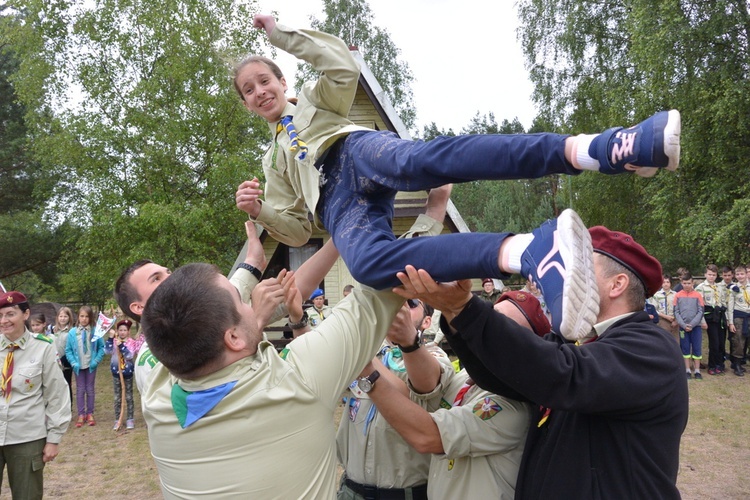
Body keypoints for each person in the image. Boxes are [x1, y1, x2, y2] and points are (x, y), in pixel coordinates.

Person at [234, 14, 681, 341]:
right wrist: (263, 211)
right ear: (247, 106)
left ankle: (598, 148)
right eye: (249, 91)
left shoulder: (315, 100)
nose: (259, 92)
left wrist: (280, 34)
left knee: (420, 162)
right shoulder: (273, 162)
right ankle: (531, 251)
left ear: (280, 78)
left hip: (351, 151)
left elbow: (342, 66)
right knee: (371, 267)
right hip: (337, 207)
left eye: (263, 80)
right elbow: (296, 233)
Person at [393, 224, 688, 499]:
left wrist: (465, 308)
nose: (563, 274)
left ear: (617, 284)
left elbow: (563, 374)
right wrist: (454, 313)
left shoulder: (651, 348)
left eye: (581, 266)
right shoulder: (579, 345)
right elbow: (501, 377)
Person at [139, 261, 405, 498]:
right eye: (243, 302)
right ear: (233, 338)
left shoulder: (155, 396)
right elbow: (388, 273)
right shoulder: (297, 380)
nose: (252, 305)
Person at [361, 291, 550, 499]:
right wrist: (403, 342)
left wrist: (368, 373)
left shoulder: (515, 405)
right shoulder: (467, 377)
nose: (493, 332)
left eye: (508, 329)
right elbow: (420, 400)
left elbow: (428, 436)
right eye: (493, 320)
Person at [336, 298, 453, 500]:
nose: (399, 305)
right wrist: (298, 319)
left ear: (426, 322)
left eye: (411, 302)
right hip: (351, 490)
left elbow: (425, 386)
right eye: (394, 299)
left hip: (403, 494)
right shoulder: (370, 352)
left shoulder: (434, 356)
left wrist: (365, 353)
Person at [0, 291, 71, 499]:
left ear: (26, 314)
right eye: (0, 315)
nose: (4, 321)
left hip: (26, 438)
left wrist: (54, 439)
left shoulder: (43, 348)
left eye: (10, 314)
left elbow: (57, 395)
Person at [65, 306, 105, 427]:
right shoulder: (72, 333)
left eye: (87, 316)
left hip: (90, 365)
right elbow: (68, 350)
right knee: (80, 389)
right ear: (78, 317)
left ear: (90, 318)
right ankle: (81, 414)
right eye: (82, 316)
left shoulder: (95, 332)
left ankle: (90, 413)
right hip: (78, 366)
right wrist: (73, 362)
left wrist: (96, 360)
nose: (84, 319)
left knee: (90, 389)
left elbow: (101, 348)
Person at [105, 320, 136, 430]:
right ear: (117, 331)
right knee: (117, 397)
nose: (122, 332)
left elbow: (129, 355)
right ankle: (118, 419)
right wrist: (110, 338)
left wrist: (121, 346)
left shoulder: (131, 342)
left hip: (127, 373)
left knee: (128, 396)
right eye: (120, 330)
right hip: (116, 373)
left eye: (125, 330)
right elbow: (107, 351)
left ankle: (130, 419)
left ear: (128, 331)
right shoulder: (114, 341)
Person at [674, 272, 705, 379]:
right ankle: (687, 370)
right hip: (683, 328)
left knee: (697, 348)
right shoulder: (677, 295)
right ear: (681, 283)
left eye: (689, 283)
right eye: (684, 283)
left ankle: (697, 370)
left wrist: (692, 324)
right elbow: (676, 312)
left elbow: (701, 311)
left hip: (695, 327)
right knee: (685, 348)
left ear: (693, 283)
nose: (687, 285)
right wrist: (683, 324)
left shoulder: (698, 295)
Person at [695, 264, 725, 375]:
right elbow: (700, 306)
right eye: (709, 274)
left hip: (719, 315)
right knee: (714, 342)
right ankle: (711, 366)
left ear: (716, 275)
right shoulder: (701, 287)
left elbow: (722, 301)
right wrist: (702, 320)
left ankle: (719, 364)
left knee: (721, 342)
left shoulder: (719, 287)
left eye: (713, 275)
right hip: (709, 316)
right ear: (705, 274)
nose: (711, 277)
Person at [727, 265, 750, 376]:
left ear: (746, 274)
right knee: (739, 341)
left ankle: (742, 361)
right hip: (739, 317)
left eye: (742, 274)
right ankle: (736, 365)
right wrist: (731, 322)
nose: (740, 276)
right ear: (735, 276)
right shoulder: (734, 288)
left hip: (749, 316)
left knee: (747, 341)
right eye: (738, 274)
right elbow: (730, 307)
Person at [52, 307, 75, 402]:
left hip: (66, 362)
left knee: (66, 384)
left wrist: (65, 359)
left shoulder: (72, 331)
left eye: (65, 316)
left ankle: (68, 406)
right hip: (54, 362)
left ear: (69, 318)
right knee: (56, 385)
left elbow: (73, 348)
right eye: (61, 316)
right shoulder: (52, 330)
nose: (63, 318)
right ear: (57, 317)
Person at [717, 266, 737, 372]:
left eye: (729, 275)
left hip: (734, 316)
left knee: (734, 340)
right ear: (722, 275)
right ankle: (721, 361)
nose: (727, 277)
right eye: (725, 275)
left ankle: (735, 362)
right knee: (721, 340)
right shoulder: (718, 286)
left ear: (732, 275)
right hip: (722, 316)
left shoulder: (736, 286)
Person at [650, 273, 678, 341]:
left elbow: (679, 308)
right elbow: (655, 310)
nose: (666, 284)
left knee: (675, 341)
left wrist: (676, 321)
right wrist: (666, 317)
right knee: (664, 340)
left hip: (674, 321)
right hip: (662, 320)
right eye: (664, 282)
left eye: (668, 282)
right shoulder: (657, 295)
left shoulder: (675, 294)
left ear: (671, 283)